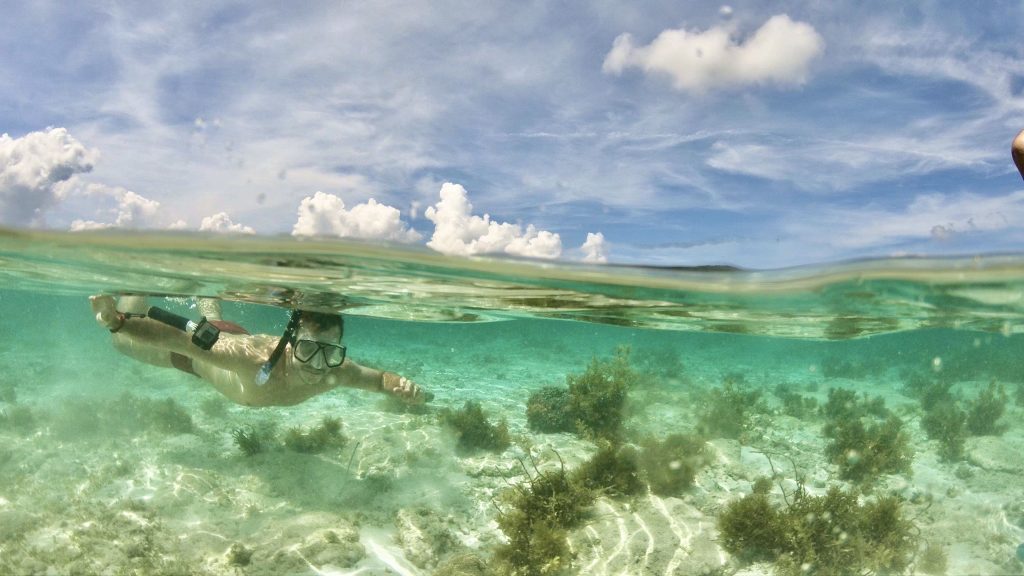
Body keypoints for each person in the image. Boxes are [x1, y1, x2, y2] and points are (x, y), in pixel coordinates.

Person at [90, 295, 430, 407]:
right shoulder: (251, 360)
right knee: (120, 345)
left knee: (214, 327)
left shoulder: (335, 369)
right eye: (309, 349)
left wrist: (405, 388)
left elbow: (378, 380)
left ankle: (208, 300)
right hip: (201, 354)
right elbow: (178, 340)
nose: (318, 364)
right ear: (291, 343)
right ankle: (130, 291)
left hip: (231, 337)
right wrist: (118, 322)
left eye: (329, 351)